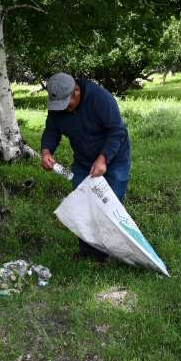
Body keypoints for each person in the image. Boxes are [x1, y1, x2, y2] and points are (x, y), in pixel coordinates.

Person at [40, 72, 131, 262]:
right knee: (82, 204)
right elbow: (52, 129)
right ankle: (86, 251)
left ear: (76, 91)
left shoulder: (101, 99)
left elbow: (117, 131)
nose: (63, 109)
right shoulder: (58, 108)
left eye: (67, 103)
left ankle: (104, 254)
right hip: (83, 160)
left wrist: (103, 159)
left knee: (107, 205)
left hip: (114, 159)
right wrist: (46, 151)